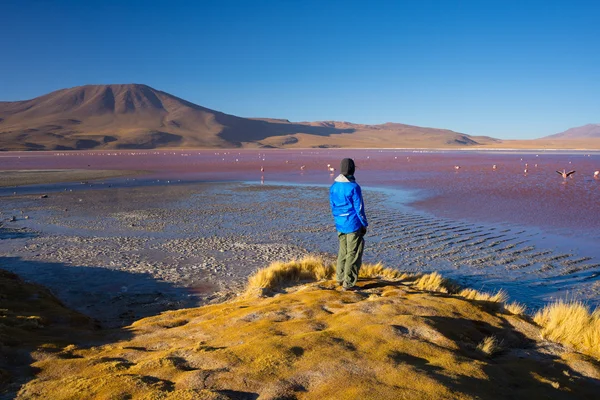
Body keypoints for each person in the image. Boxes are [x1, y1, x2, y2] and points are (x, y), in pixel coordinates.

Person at [329, 158, 368, 290]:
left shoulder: (334, 186)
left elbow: (332, 206)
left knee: (343, 251)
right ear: (352, 169)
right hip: (353, 224)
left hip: (340, 223)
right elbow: (359, 208)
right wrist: (364, 224)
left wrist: (337, 220)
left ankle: (340, 277)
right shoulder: (354, 187)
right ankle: (349, 283)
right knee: (353, 253)